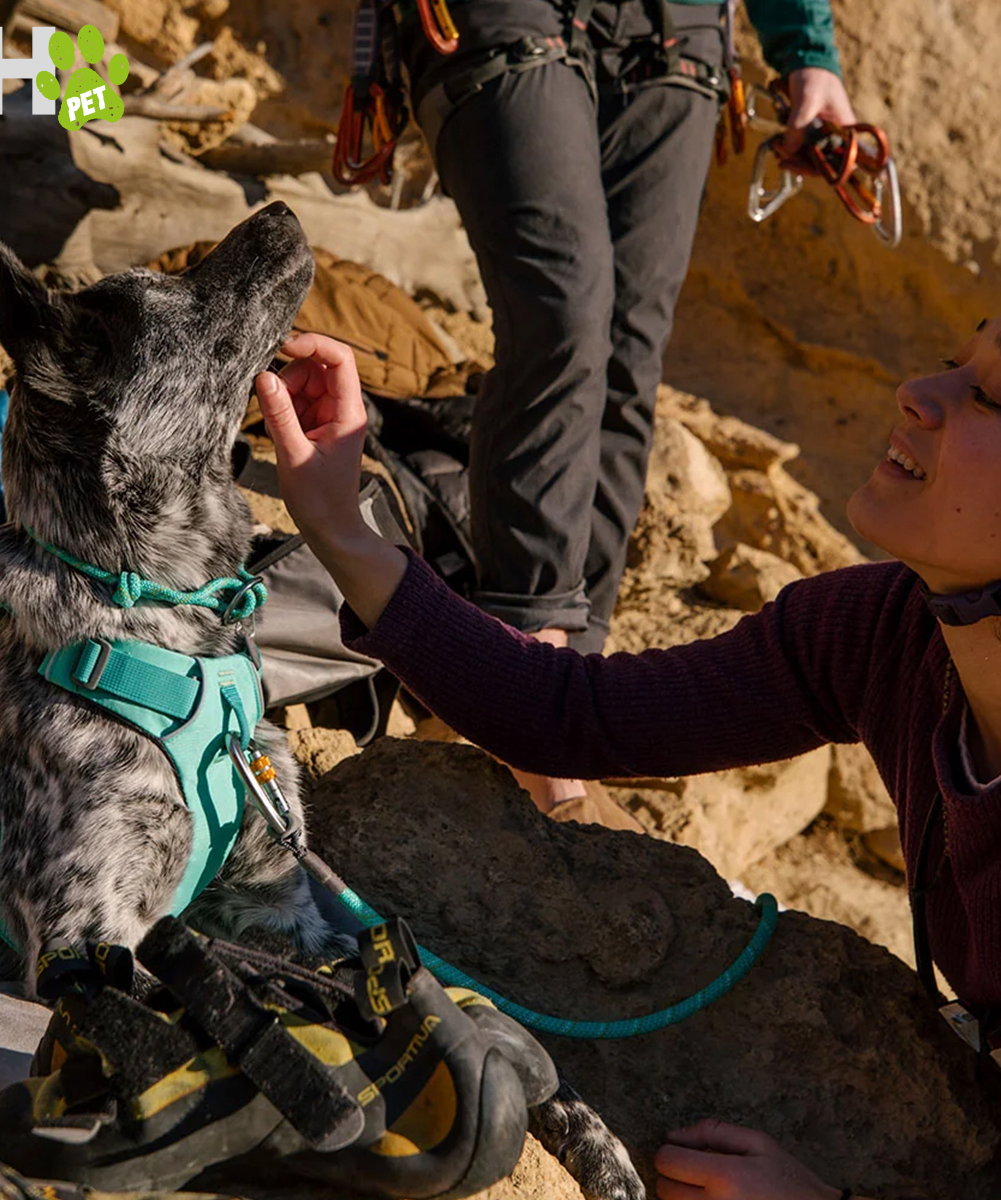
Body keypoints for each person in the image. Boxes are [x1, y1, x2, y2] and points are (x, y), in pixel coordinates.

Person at [253, 325, 1001, 1198]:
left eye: (989, 397)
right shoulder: (887, 633)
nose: (919, 390)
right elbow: (570, 713)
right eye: (957, 360)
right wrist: (343, 526)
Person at [396, 0, 857, 816]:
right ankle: (519, 682)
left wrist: (806, 51)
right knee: (563, 310)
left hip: (678, 28)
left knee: (627, 346)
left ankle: (569, 688)